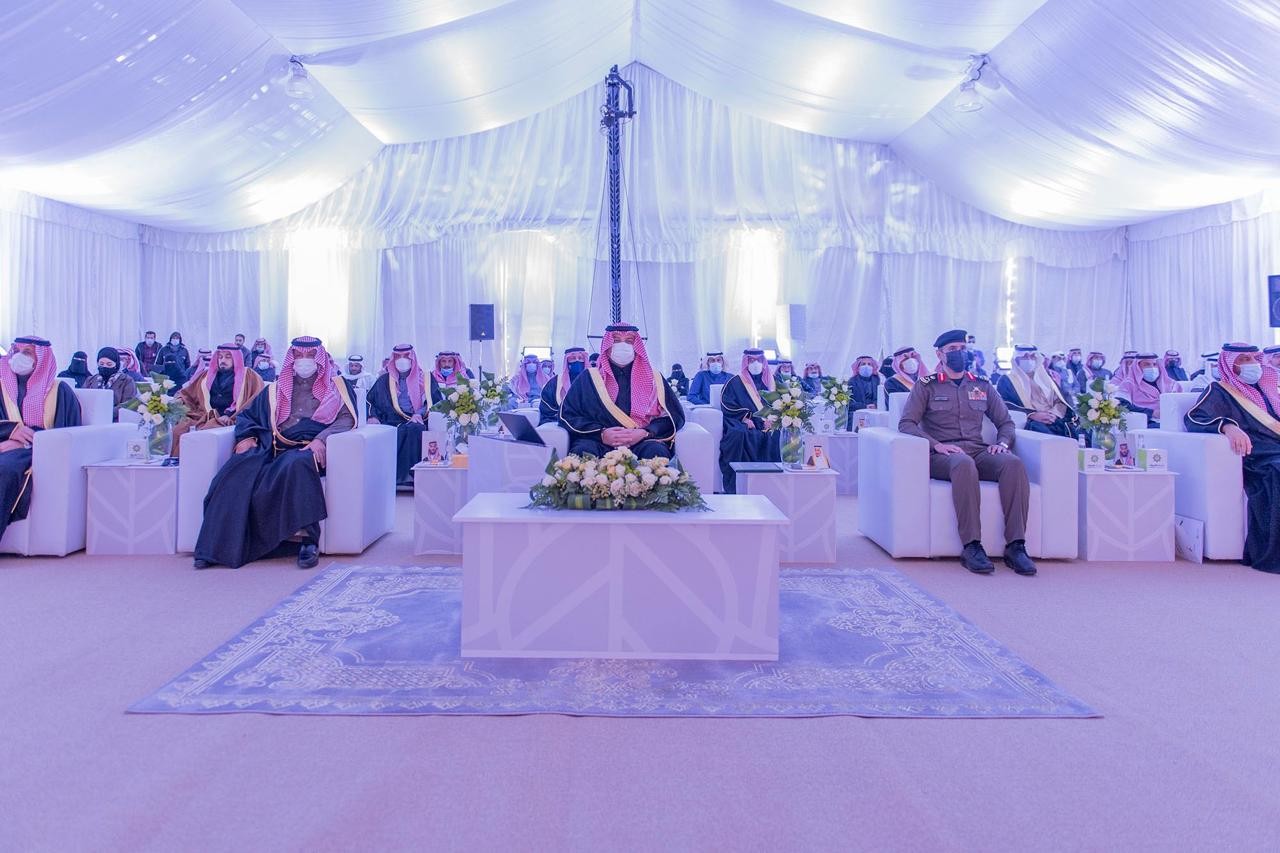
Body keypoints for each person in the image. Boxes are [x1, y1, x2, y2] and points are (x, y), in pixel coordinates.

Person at [193, 336, 357, 570]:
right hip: (273, 445)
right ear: (291, 358)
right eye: (298, 355)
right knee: (235, 471)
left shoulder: (337, 386)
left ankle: (309, 540)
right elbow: (248, 415)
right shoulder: (275, 389)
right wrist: (246, 438)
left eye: (310, 355)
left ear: (320, 358)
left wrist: (322, 440)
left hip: (309, 447)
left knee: (297, 465)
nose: (304, 360)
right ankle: (215, 547)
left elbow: (347, 419)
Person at [899, 329, 1035, 576]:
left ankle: (1016, 546)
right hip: (943, 455)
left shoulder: (982, 385)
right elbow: (907, 423)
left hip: (977, 450)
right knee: (963, 463)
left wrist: (1002, 444)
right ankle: (972, 546)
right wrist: (936, 445)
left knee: (1012, 464)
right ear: (940, 354)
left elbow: (1006, 423)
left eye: (962, 349)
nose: (959, 353)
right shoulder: (926, 386)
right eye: (952, 350)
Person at [1186, 343, 1280, 573]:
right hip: (1258, 456)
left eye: (1254, 358)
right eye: (1244, 359)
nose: (1253, 364)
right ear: (1230, 364)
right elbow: (1194, 418)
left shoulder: (1269, 387)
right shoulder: (1219, 391)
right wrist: (1227, 426)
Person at [560, 323, 684, 462]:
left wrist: (646, 432)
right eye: (616, 340)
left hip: (642, 440)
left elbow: (673, 416)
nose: (623, 345)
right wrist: (601, 433)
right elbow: (568, 414)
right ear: (607, 346)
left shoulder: (655, 378)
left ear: (636, 346)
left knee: (656, 454)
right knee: (582, 453)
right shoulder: (588, 378)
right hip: (597, 440)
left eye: (629, 341)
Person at [0, 337, 82, 542]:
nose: (19, 356)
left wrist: (24, 441)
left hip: (36, 451)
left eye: (27, 352)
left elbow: (67, 435)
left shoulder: (59, 391)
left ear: (41, 358)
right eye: (16, 351)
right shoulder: (1, 387)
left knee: (5, 468)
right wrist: (10, 432)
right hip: (3, 445)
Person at [172, 343, 265, 456]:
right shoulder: (206, 375)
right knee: (180, 428)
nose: (223, 360)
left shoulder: (249, 376)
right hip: (203, 415)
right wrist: (179, 400)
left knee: (206, 431)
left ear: (236, 358)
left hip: (232, 418)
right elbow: (188, 393)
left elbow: (255, 401)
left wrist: (230, 415)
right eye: (220, 357)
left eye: (227, 357)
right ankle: (177, 462)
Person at [365, 344, 434, 484]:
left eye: (406, 356)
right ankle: (387, 478)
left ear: (412, 358)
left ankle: (409, 476)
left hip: (417, 419)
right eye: (398, 357)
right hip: (390, 419)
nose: (402, 360)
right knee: (392, 431)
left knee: (415, 429)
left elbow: (434, 401)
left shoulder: (426, 378)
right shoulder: (384, 380)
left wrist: (419, 414)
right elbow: (369, 400)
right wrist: (372, 416)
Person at [718, 348, 782, 494]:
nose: (755, 364)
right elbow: (727, 404)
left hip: (770, 422)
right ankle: (740, 484)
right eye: (751, 360)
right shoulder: (735, 382)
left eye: (758, 360)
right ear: (745, 362)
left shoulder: (774, 381)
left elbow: (783, 403)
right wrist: (744, 418)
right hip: (744, 420)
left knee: (775, 434)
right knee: (739, 434)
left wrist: (774, 419)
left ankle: (772, 486)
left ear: (763, 362)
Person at [996, 345, 1077, 438]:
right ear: (1016, 360)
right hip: (1031, 422)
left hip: (1054, 419)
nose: (1029, 360)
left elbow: (1060, 401)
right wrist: (1031, 415)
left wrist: (1053, 413)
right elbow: (1005, 405)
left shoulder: (1046, 378)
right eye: (1025, 357)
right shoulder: (1006, 380)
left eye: (1032, 356)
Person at [1114, 351, 1181, 428]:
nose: (1152, 368)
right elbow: (1121, 405)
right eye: (1147, 365)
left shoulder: (1171, 384)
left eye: (1154, 364)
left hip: (1172, 420)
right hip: (1147, 422)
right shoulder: (1128, 384)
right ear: (1137, 367)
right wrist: (1151, 412)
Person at [82, 347, 137, 420]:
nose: (105, 367)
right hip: (91, 419)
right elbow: (83, 399)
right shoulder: (90, 380)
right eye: (101, 364)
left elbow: (129, 404)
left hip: (116, 421)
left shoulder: (127, 381)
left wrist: (107, 413)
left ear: (116, 364)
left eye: (109, 364)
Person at [539, 346, 587, 425]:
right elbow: (547, 409)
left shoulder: (594, 381)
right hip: (559, 422)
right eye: (573, 358)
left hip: (588, 423)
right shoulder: (555, 382)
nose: (577, 361)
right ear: (567, 361)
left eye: (580, 358)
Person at [846, 356, 881, 428]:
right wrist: (865, 406)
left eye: (869, 364)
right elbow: (848, 403)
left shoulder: (877, 380)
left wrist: (875, 405)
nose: (866, 366)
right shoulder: (852, 381)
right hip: (857, 413)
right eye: (863, 364)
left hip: (875, 412)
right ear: (858, 367)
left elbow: (881, 398)